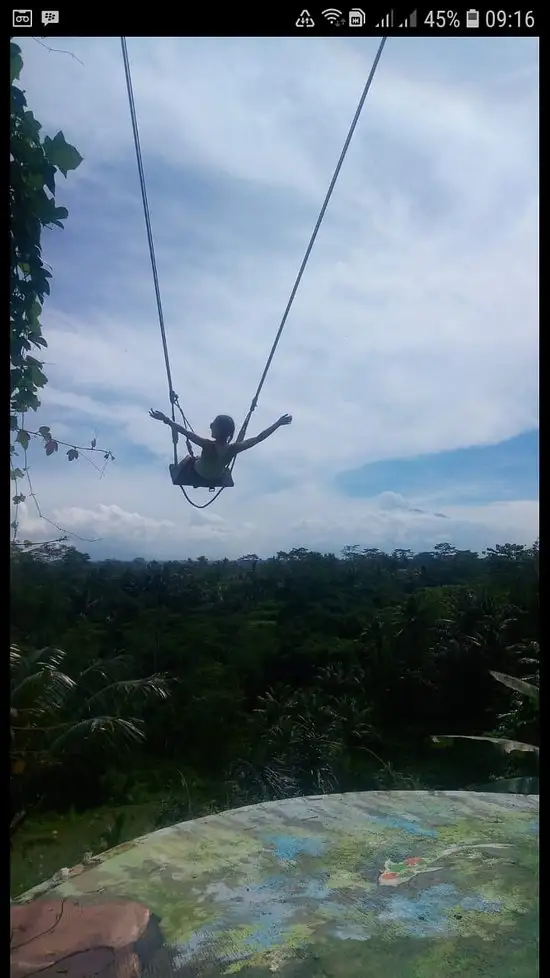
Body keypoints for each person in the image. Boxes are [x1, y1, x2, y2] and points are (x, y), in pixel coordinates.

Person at [149, 409, 292, 487]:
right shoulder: (233, 448)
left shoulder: (207, 444)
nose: (210, 426)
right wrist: (277, 424)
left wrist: (166, 420)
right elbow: (259, 438)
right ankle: (220, 472)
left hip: (197, 472)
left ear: (218, 429)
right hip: (216, 476)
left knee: (189, 459)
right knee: (221, 468)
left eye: (213, 424)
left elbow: (184, 432)